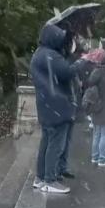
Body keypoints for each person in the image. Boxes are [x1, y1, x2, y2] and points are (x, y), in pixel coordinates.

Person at [31, 24, 76, 194]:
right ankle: (49, 180)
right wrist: (83, 61)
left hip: (47, 106)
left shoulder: (40, 53)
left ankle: (40, 178)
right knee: (56, 144)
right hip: (56, 106)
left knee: (47, 142)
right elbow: (68, 71)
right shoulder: (49, 55)